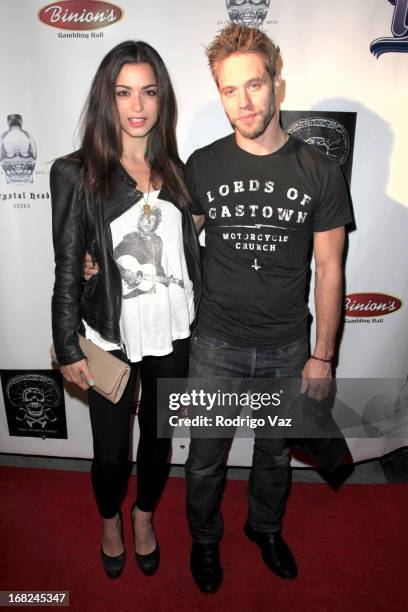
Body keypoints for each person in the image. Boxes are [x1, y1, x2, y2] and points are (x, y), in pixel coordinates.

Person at [183, 24, 352, 593]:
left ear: (276, 83)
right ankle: (205, 542)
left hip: (287, 346)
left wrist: (322, 357)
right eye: (229, 91)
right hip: (215, 343)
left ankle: (265, 529)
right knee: (205, 459)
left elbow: (330, 269)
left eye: (253, 85)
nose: (243, 103)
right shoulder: (202, 166)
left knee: (275, 455)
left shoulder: (320, 171)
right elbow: (169, 247)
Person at [50, 40, 201, 580]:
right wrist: (67, 344)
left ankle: (143, 517)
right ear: (105, 99)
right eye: (123, 92)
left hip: (174, 331)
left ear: (162, 101)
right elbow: (68, 266)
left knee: (160, 442)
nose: (137, 106)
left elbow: (189, 242)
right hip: (111, 334)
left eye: (149, 92)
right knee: (112, 454)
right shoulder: (76, 172)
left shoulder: (177, 170)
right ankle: (110, 518)